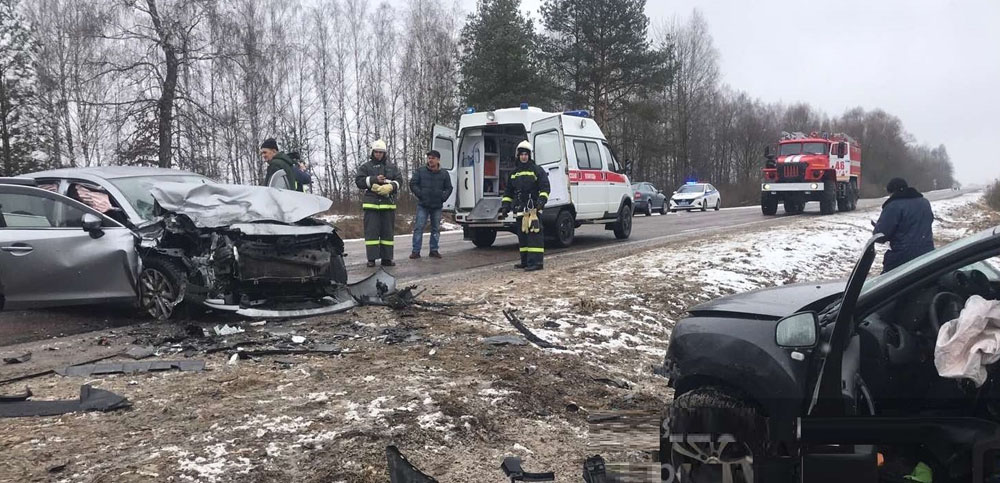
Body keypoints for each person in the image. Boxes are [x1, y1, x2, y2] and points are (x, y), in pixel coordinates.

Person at [499, 140, 550, 271]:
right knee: (523, 237)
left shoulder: (537, 170)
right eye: (521, 154)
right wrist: (505, 207)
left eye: (526, 154)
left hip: (533, 210)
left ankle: (536, 263)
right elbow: (508, 192)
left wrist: (541, 202)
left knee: (534, 237)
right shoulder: (513, 173)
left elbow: (545, 188)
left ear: (529, 155)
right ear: (518, 156)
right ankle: (526, 261)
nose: (524, 157)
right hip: (520, 211)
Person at [873, 177, 934, 273]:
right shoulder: (925, 202)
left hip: (901, 258)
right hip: (927, 255)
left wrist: (878, 228)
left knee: (887, 285)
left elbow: (881, 235)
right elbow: (928, 221)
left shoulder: (893, 206)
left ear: (892, 192)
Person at [355, 139, 401, 267]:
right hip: (371, 205)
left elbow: (399, 180)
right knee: (372, 233)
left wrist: (391, 186)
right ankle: (372, 259)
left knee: (387, 233)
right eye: (376, 152)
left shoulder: (392, 167)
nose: (379, 154)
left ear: (384, 153)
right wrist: (374, 180)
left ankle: (387, 258)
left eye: (381, 152)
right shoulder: (366, 167)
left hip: (388, 204)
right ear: (372, 152)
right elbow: (359, 181)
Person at [409, 150, 453, 259]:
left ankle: (434, 250)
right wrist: (420, 194)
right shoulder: (421, 171)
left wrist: (443, 197)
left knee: (435, 228)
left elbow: (449, 188)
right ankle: (416, 251)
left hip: (437, 205)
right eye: (429, 158)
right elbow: (413, 184)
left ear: (438, 160)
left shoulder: (444, 173)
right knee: (419, 227)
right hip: (423, 204)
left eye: (433, 158)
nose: (430, 160)